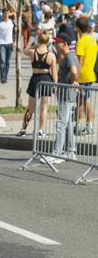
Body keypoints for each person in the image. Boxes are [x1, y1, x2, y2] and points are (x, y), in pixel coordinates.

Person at [44, 32, 79, 163]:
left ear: (64, 43)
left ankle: (57, 153)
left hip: (66, 94)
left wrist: (72, 81)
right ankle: (71, 151)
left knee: (61, 123)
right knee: (68, 123)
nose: (55, 44)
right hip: (66, 93)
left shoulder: (70, 56)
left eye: (57, 42)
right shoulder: (66, 56)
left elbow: (74, 71)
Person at [15, 31, 58, 137]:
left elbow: (25, 50)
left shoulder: (32, 52)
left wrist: (35, 45)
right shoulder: (51, 55)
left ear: (38, 41)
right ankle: (40, 130)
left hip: (35, 78)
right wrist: (56, 85)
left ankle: (23, 129)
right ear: (48, 42)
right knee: (44, 107)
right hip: (46, 78)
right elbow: (54, 72)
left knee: (30, 107)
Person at [74, 17, 98, 135]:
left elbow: (80, 62)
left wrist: (76, 78)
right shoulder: (92, 40)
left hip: (83, 76)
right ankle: (83, 124)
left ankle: (86, 125)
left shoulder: (81, 41)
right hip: (91, 74)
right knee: (81, 100)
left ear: (77, 28)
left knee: (83, 101)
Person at [0, 10, 16, 83]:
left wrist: (15, 41)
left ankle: (5, 76)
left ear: (9, 14)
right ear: (3, 14)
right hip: (1, 43)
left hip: (10, 43)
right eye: (5, 13)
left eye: (7, 13)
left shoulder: (12, 22)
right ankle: (2, 77)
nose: (6, 14)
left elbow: (16, 32)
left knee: (7, 62)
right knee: (2, 61)